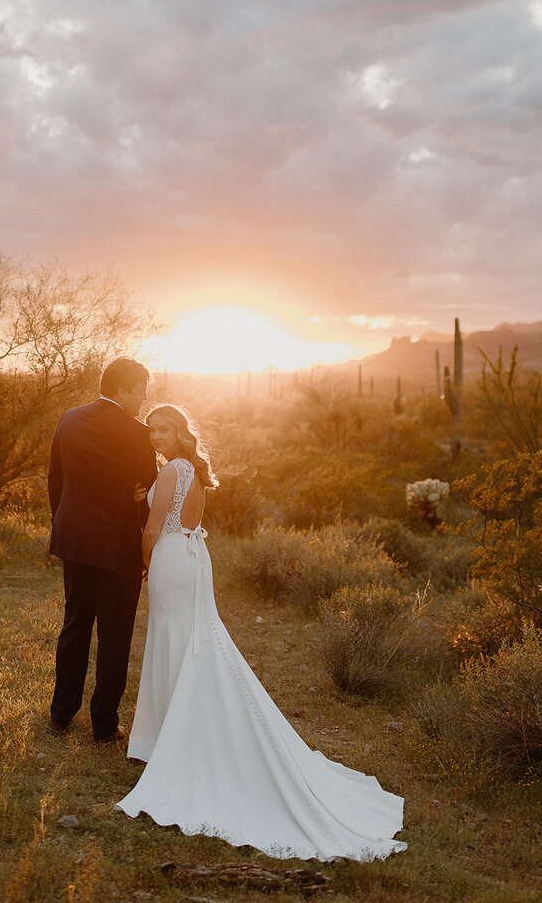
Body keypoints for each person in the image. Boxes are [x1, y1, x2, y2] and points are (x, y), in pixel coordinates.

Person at [117, 404, 407, 862]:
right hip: (194, 558)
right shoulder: (192, 468)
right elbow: (179, 513)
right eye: (152, 430)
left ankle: (168, 739)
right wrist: (146, 497)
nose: (156, 437)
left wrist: (143, 562)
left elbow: (154, 530)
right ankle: (168, 732)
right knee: (193, 642)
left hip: (171, 559)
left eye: (164, 429)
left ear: (180, 431)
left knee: (172, 641)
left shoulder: (171, 469)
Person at [48, 357, 158, 742]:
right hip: (118, 546)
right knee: (115, 636)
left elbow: (55, 481)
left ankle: (61, 714)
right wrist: (146, 545)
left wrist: (66, 524)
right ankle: (104, 725)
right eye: (141, 391)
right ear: (123, 389)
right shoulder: (138, 433)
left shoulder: (69, 418)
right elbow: (150, 494)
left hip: (74, 540)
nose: (143, 399)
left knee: (75, 624)